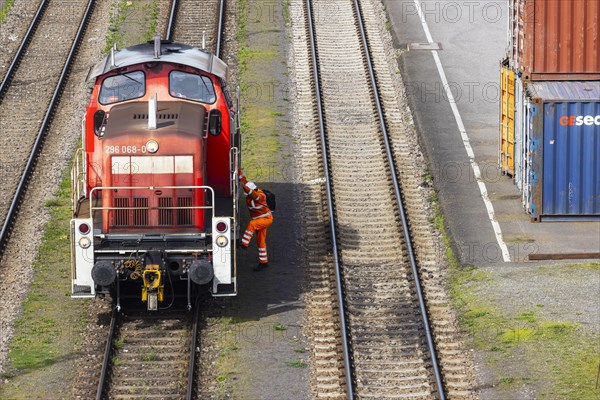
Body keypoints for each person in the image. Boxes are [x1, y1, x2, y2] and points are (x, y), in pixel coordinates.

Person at [238, 169, 273, 271]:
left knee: (252, 224)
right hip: (260, 221)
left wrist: (245, 188)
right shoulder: (250, 196)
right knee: (260, 241)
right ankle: (263, 262)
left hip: (266, 219)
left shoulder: (260, 195)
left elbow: (253, 194)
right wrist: (239, 174)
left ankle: (244, 244)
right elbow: (245, 181)